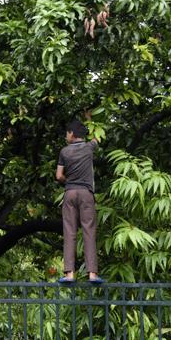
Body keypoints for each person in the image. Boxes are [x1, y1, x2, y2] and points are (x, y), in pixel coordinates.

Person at [56, 119, 104, 284]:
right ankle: (92, 274)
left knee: (69, 231)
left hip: (69, 193)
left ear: (72, 133)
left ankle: (69, 274)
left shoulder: (64, 152)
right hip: (86, 194)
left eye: (67, 133)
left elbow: (59, 176)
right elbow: (97, 137)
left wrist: (69, 180)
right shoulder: (89, 148)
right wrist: (90, 120)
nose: (66, 136)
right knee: (89, 231)